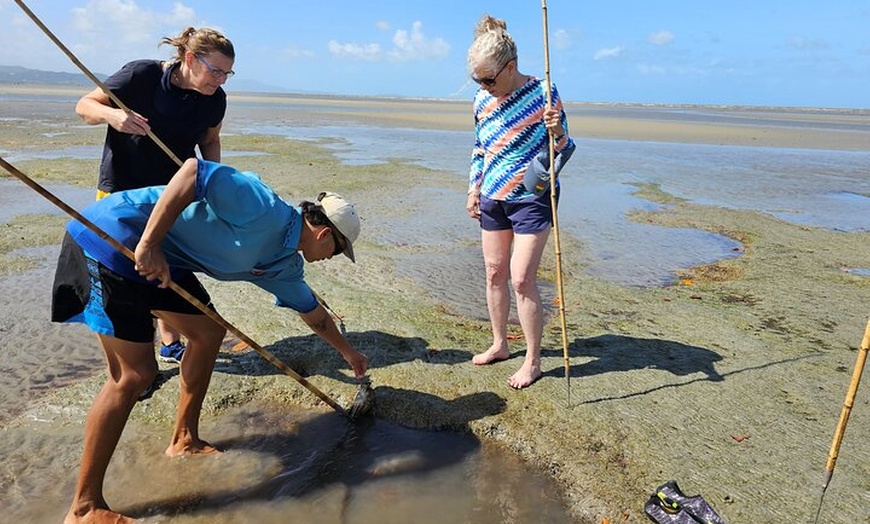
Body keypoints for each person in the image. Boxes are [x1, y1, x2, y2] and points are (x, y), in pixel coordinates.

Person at [53, 158, 369, 524]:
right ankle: (84, 508)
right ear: (325, 234)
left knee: (208, 332)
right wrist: (151, 243)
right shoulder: (263, 206)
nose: (331, 260)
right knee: (134, 376)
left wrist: (350, 353)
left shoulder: (285, 265)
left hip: (166, 262)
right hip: (114, 237)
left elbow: (312, 313)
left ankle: (184, 439)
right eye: (336, 252)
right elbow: (192, 171)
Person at [76, 26, 236, 365]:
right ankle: (129, 359)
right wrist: (113, 115)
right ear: (190, 58)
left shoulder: (215, 99)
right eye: (216, 70)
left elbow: (210, 140)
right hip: (120, 191)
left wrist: (213, 179)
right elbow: (85, 105)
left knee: (163, 260)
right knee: (121, 272)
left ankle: (168, 343)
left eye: (227, 73)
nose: (221, 80)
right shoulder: (142, 75)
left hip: (169, 194)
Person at [465, 14, 575, 389]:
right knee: (494, 272)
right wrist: (473, 188)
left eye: (489, 79)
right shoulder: (482, 99)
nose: (483, 85)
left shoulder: (543, 92)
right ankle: (500, 344)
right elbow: (480, 149)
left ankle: (533, 360)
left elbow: (564, 149)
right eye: (477, 80)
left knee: (521, 278)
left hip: (532, 197)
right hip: (493, 195)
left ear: (511, 68)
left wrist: (557, 130)